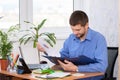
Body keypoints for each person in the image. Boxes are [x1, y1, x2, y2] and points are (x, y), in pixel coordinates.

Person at [37, 10, 108, 73]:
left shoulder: (99, 39)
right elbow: (62, 57)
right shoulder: (71, 38)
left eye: (78, 30)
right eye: (72, 29)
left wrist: (77, 68)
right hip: (73, 75)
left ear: (86, 25)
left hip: (91, 76)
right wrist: (46, 50)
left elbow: (102, 66)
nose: (74, 33)